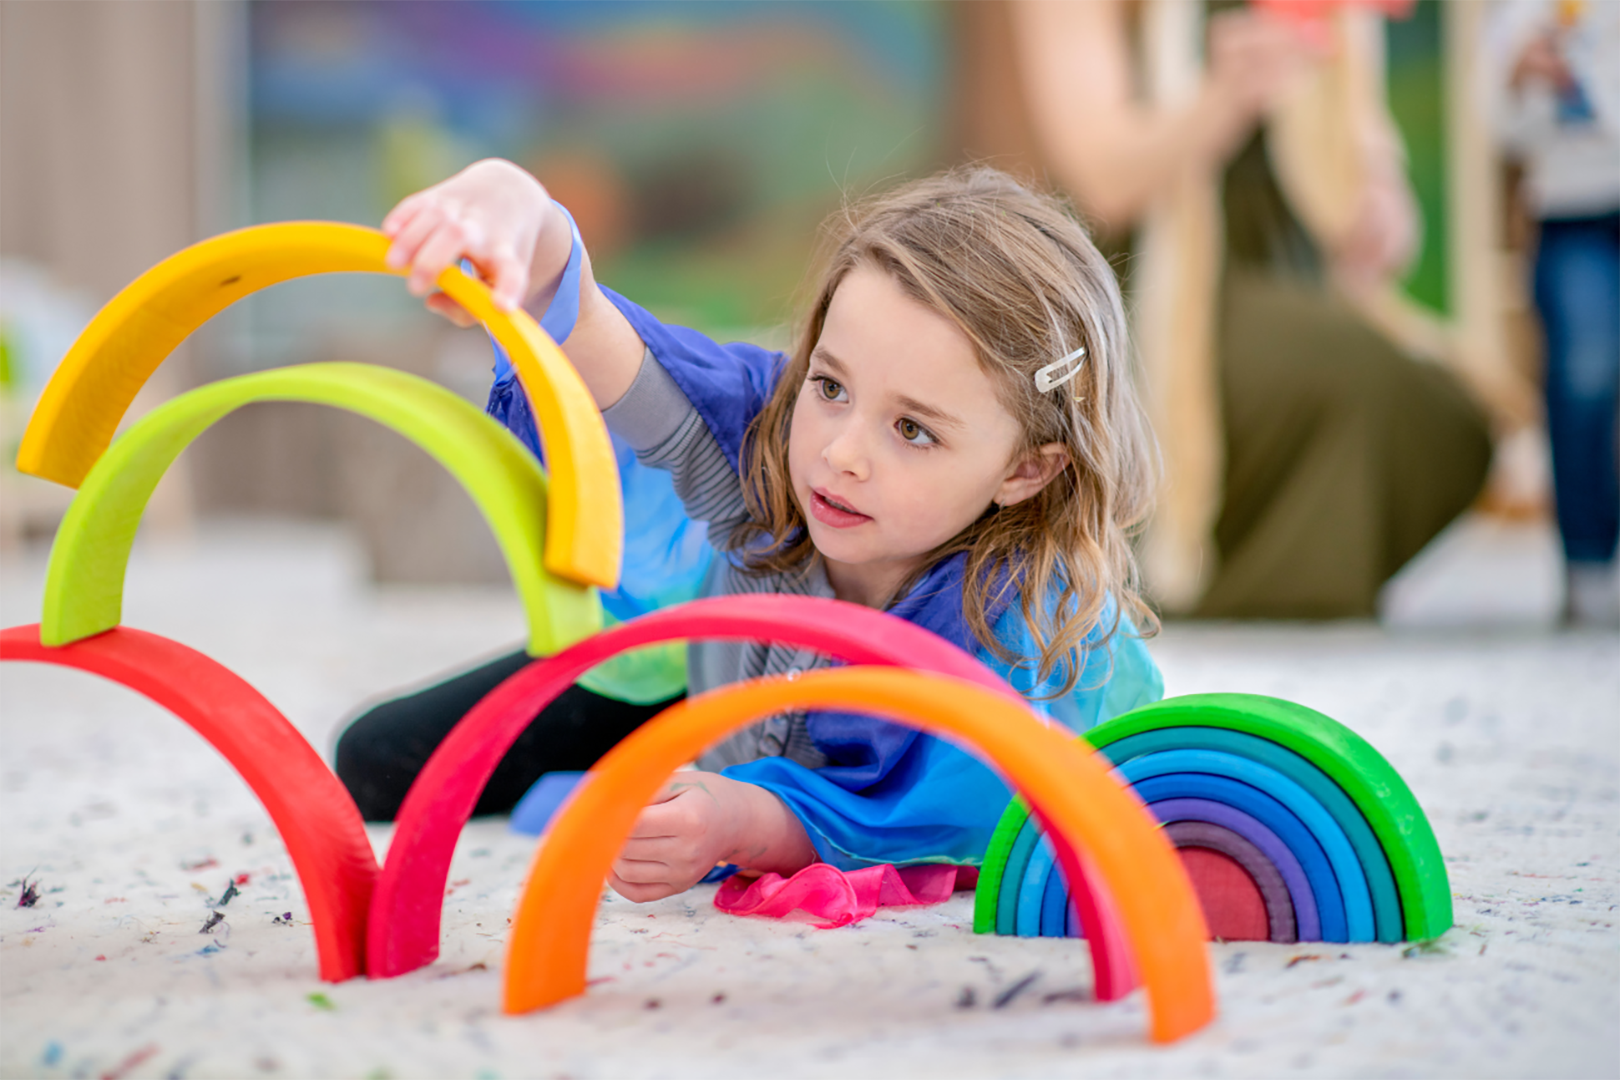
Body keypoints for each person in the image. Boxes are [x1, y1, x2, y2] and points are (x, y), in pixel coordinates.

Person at [334, 160, 1163, 901]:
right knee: (377, 761)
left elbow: (929, 820)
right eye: (831, 387)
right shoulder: (765, 434)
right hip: (694, 690)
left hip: (811, 772)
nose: (840, 455)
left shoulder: (1018, 640)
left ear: (1026, 470)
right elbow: (587, 328)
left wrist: (741, 820)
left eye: (913, 431)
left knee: (676, 806)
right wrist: (516, 214)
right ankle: (652, 754)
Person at [998, 0, 1498, 618]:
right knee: (1353, 374)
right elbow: (1105, 184)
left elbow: (1370, 179)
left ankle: (1263, 590)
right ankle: (1201, 591)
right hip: (1147, 291)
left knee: (1459, 415)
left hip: (1294, 273)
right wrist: (1223, 99)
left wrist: (1380, 211)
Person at [1484, 0, 1620, 624]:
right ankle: (1589, 560)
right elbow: (1490, 122)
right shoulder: (1523, 11)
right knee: (1583, 376)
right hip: (1572, 207)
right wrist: (1518, 78)